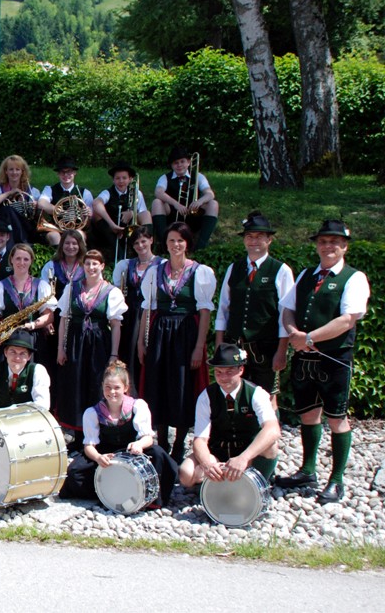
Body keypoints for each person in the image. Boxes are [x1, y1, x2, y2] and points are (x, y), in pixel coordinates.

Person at [277, 219, 370, 504]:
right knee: (307, 413)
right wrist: (294, 333)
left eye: (334, 242)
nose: (328, 246)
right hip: (305, 358)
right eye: (323, 241)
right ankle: (307, 471)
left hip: (334, 358)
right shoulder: (307, 274)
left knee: (337, 417)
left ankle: (337, 480)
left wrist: (309, 338)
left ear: (344, 247)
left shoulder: (354, 278)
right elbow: (287, 309)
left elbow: (347, 319)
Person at [137, 221, 216, 463]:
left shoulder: (200, 272)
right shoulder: (155, 271)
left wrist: (199, 347)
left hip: (185, 335)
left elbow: (204, 312)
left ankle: (180, 443)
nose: (175, 245)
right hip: (160, 334)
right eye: (171, 240)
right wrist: (141, 341)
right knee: (158, 384)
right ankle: (162, 441)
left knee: (183, 386)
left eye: (180, 240)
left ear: (187, 243)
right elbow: (147, 308)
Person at [59, 361, 177, 509]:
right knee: (74, 473)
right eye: (108, 387)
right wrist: (98, 457)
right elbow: (89, 446)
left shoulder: (137, 406)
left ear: (126, 388)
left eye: (117, 388)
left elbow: (148, 438)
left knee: (158, 455)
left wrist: (139, 444)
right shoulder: (93, 412)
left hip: (131, 452)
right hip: (105, 453)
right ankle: (107, 493)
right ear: (102, 386)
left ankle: (149, 497)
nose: (112, 392)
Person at [214, 211, 294, 406]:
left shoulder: (281, 270)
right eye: (250, 236)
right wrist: (219, 344)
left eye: (259, 236)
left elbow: (286, 314)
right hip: (235, 345)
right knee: (236, 395)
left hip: (266, 347)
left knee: (268, 398)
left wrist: (282, 350)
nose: (254, 241)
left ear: (269, 240)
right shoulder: (234, 268)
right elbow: (223, 309)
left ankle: (270, 427)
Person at [179, 344, 280, 488]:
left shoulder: (256, 393)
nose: (223, 377)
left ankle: (258, 485)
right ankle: (212, 487)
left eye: (229, 371)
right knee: (186, 473)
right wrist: (207, 463)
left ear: (241, 370)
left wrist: (244, 458)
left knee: (271, 446)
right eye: (219, 372)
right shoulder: (206, 396)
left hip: (248, 453)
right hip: (217, 452)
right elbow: (200, 439)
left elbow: (273, 429)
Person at [55, 250, 127, 447]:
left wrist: (113, 353)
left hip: (99, 343)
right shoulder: (72, 288)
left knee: (96, 385)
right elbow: (63, 319)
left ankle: (98, 436)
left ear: (102, 266)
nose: (91, 267)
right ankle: (78, 436)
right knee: (75, 385)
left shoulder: (111, 292)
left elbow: (116, 325)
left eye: (95, 264)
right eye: (87, 264)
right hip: (76, 343)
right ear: (83, 266)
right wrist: (61, 348)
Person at [110, 226, 163, 391]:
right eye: (136, 243)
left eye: (143, 241)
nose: (140, 245)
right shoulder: (126, 265)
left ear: (151, 240)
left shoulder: (162, 264)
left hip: (151, 314)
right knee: (129, 354)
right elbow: (117, 291)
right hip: (130, 316)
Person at [0, 243, 56, 354]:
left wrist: (32, 325)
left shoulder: (41, 285)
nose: (22, 263)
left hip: (33, 339)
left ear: (31, 261)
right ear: (11, 259)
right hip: (7, 338)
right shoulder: (0, 286)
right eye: (18, 258)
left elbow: (49, 316)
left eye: (26, 259)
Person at [37, 229, 86, 380]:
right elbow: (43, 294)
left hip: (78, 318)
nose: (70, 247)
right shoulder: (51, 266)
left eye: (74, 243)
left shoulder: (86, 266)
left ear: (80, 245)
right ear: (61, 245)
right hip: (56, 318)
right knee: (53, 356)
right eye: (67, 243)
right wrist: (47, 319)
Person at [150, 146, 218, 249]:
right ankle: (164, 244)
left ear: (189, 162)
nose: (179, 165)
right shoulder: (165, 178)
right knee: (157, 202)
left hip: (193, 215)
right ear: (171, 165)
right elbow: (158, 192)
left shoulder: (198, 176)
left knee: (213, 204)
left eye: (182, 161)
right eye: (176, 163)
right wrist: (176, 204)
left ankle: (201, 245)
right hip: (172, 217)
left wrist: (199, 201)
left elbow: (210, 194)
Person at [90, 160, 153, 265]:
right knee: (97, 213)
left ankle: (147, 248)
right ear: (113, 180)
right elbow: (96, 203)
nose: (121, 181)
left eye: (124, 178)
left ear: (130, 179)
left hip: (130, 229)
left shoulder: (137, 193)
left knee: (146, 214)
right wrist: (112, 224)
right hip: (111, 229)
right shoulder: (108, 192)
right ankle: (119, 252)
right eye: (117, 178)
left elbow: (142, 212)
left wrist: (132, 213)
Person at [38, 155, 93, 247]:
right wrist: (63, 212)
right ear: (58, 174)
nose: (66, 175)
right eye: (62, 172)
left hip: (76, 229)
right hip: (55, 228)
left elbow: (87, 224)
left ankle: (79, 256)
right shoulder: (49, 189)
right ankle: (58, 256)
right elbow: (41, 203)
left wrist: (86, 215)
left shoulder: (85, 193)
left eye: (69, 171)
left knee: (79, 235)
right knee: (54, 236)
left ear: (74, 172)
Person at [0, 154, 37, 244]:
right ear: (6, 171)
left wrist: (34, 205)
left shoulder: (31, 190)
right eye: (11, 169)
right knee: (8, 210)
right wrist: (9, 193)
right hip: (3, 225)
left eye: (17, 169)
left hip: (24, 226)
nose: (14, 172)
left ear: (22, 171)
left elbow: (36, 210)